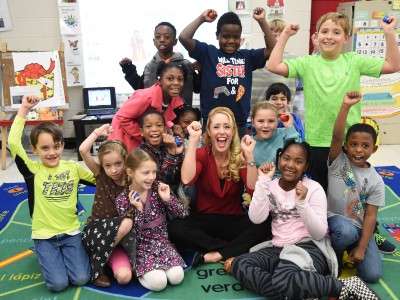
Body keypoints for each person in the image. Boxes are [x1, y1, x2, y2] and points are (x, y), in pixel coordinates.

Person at [267, 12, 400, 193]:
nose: (329, 36)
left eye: (336, 32)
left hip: (349, 140)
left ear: (346, 38)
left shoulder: (353, 60)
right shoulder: (308, 62)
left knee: (349, 190)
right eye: (324, 31)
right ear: (317, 35)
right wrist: (285, 35)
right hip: (317, 139)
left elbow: (393, 64)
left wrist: (389, 32)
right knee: (321, 188)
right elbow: (274, 65)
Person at [231, 140, 380, 299]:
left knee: (285, 277)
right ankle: (301, 291)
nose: (290, 165)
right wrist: (263, 182)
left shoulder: (314, 188)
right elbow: (256, 218)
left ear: (306, 166)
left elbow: (319, 233)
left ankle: (344, 287)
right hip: (278, 248)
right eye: (286, 158)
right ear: (279, 159)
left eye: (298, 161)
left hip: (310, 247)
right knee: (240, 264)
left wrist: (301, 203)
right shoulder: (270, 186)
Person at [8, 95, 95, 292]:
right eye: (45, 148)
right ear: (34, 149)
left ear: (63, 145)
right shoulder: (32, 170)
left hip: (71, 233)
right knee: (58, 284)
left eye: (56, 146)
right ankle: (43, 254)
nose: (52, 152)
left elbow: (100, 180)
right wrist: (24, 108)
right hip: (44, 237)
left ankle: (60, 258)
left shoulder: (73, 168)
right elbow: (13, 143)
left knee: (81, 278)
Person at [168, 107, 270, 268]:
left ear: (233, 130)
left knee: (266, 221)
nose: (221, 132)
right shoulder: (202, 153)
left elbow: (253, 190)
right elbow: (187, 179)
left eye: (226, 126)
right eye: (216, 127)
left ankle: (216, 254)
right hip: (204, 219)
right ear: (208, 131)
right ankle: (230, 249)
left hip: (233, 220)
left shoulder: (240, 155)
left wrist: (250, 156)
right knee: (174, 228)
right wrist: (193, 140)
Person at [179, 8, 276, 138]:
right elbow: (184, 37)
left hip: (238, 123)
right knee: (211, 157)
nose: (231, 41)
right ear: (217, 35)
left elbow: (272, 49)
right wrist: (202, 18)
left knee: (238, 158)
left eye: (236, 37)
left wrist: (262, 21)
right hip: (212, 122)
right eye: (225, 36)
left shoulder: (247, 57)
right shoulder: (208, 53)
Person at [327, 91, 387, 283]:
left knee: (372, 275)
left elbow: (370, 215)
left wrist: (361, 247)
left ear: (374, 149)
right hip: (335, 223)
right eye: (353, 144)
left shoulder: (376, 180)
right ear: (345, 146)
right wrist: (345, 106)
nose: (359, 150)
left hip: (359, 229)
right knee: (344, 231)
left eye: (365, 146)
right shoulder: (338, 161)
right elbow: (337, 136)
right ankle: (334, 253)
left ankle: (356, 247)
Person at [114, 148, 188, 291]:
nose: (151, 177)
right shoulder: (123, 200)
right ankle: (139, 272)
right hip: (141, 248)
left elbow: (182, 213)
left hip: (163, 244)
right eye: (145, 173)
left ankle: (153, 271)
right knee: (159, 283)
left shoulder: (159, 189)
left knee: (177, 277)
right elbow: (131, 234)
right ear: (130, 173)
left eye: (154, 172)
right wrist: (139, 210)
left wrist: (168, 200)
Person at [80, 125, 135, 287]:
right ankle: (98, 264)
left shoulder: (132, 178)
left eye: (118, 163)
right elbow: (83, 150)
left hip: (121, 240)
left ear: (126, 160)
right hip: (97, 232)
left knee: (125, 277)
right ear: (102, 166)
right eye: (108, 165)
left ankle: (105, 257)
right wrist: (97, 133)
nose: (114, 170)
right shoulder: (101, 175)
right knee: (126, 222)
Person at [109, 61, 186, 151]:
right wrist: (147, 134)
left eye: (180, 79)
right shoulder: (146, 96)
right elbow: (121, 117)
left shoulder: (173, 100)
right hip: (124, 141)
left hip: (142, 143)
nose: (176, 83)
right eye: (170, 79)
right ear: (160, 80)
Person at [119, 22, 200, 106]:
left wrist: (200, 70)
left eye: (167, 37)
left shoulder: (185, 64)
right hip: (154, 116)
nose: (162, 40)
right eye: (158, 37)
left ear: (175, 41)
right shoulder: (149, 66)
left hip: (180, 115)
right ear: (154, 41)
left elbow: (197, 88)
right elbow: (140, 88)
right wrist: (128, 70)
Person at [251, 18, 298, 107]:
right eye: (274, 35)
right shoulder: (256, 58)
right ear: (265, 35)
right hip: (258, 116)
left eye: (282, 35)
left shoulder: (293, 59)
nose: (278, 39)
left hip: (284, 116)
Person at [250, 101, 301, 180]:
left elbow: (299, 153)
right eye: (260, 121)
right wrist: (260, 172)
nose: (266, 126)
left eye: (271, 121)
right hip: (261, 185)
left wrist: (290, 127)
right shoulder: (249, 144)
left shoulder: (285, 133)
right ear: (253, 122)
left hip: (286, 183)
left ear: (277, 122)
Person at [138, 110, 184, 191]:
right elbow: (164, 182)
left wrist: (178, 153)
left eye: (159, 125)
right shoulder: (142, 153)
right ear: (142, 132)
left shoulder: (167, 144)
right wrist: (171, 152)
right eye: (148, 126)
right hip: (155, 192)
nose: (154, 129)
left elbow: (177, 177)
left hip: (173, 189)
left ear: (165, 130)